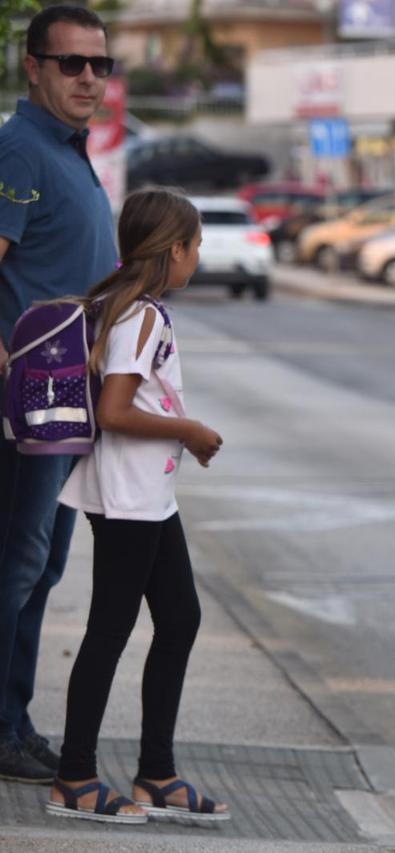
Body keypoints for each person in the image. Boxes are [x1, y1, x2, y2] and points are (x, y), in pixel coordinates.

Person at [48, 188, 228, 825]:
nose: (198, 258)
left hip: (147, 494)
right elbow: (115, 411)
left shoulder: (122, 305)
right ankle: (74, 776)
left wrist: (182, 436)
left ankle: (156, 772)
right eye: (196, 246)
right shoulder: (141, 316)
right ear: (173, 250)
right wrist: (189, 431)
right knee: (109, 631)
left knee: (179, 619)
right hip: (128, 497)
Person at [0, 4, 119, 783]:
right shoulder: (19, 148)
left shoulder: (67, 151)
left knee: (38, 568)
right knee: (14, 565)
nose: (87, 78)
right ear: (32, 67)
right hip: (27, 401)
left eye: (98, 65)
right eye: (70, 63)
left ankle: (11, 721)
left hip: (69, 400)